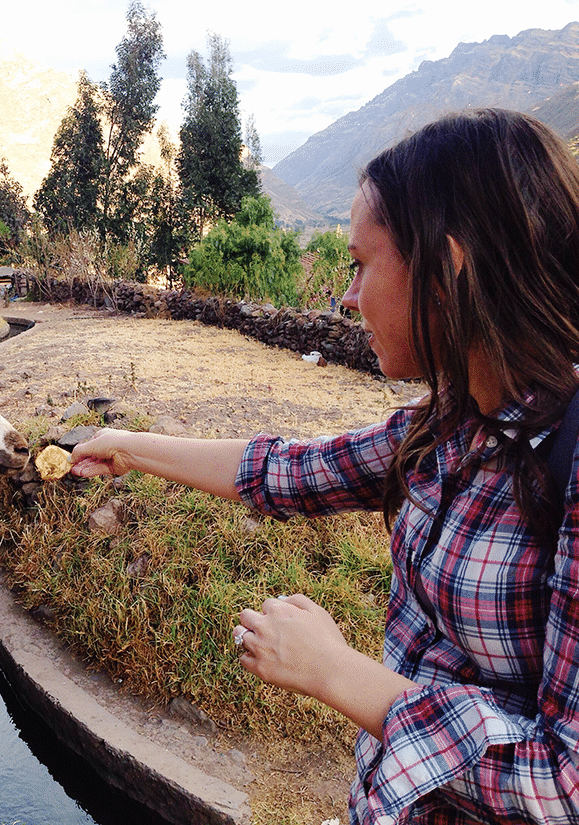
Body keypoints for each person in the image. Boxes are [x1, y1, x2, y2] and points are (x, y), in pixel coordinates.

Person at [70, 108, 579, 824]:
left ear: (447, 270)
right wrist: (128, 445)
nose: (345, 296)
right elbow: (288, 472)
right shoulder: (449, 426)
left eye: (362, 264)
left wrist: (336, 671)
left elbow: (564, 781)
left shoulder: (570, 458)